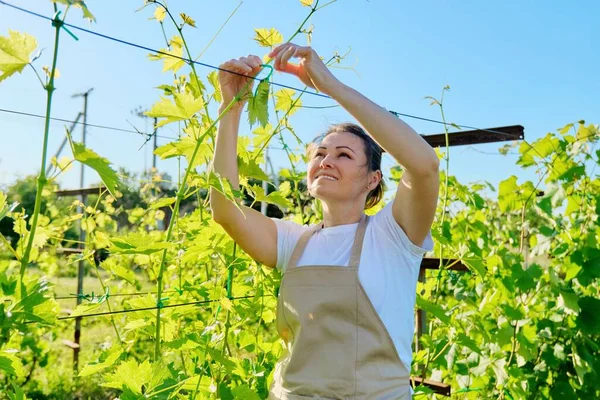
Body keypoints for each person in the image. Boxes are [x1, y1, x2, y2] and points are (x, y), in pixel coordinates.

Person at [210, 43, 440, 400]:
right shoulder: (294, 242)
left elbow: (424, 166)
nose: (326, 160)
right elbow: (225, 210)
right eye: (320, 153)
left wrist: (330, 86)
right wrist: (231, 108)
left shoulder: (392, 235)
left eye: (344, 154)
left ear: (372, 179)